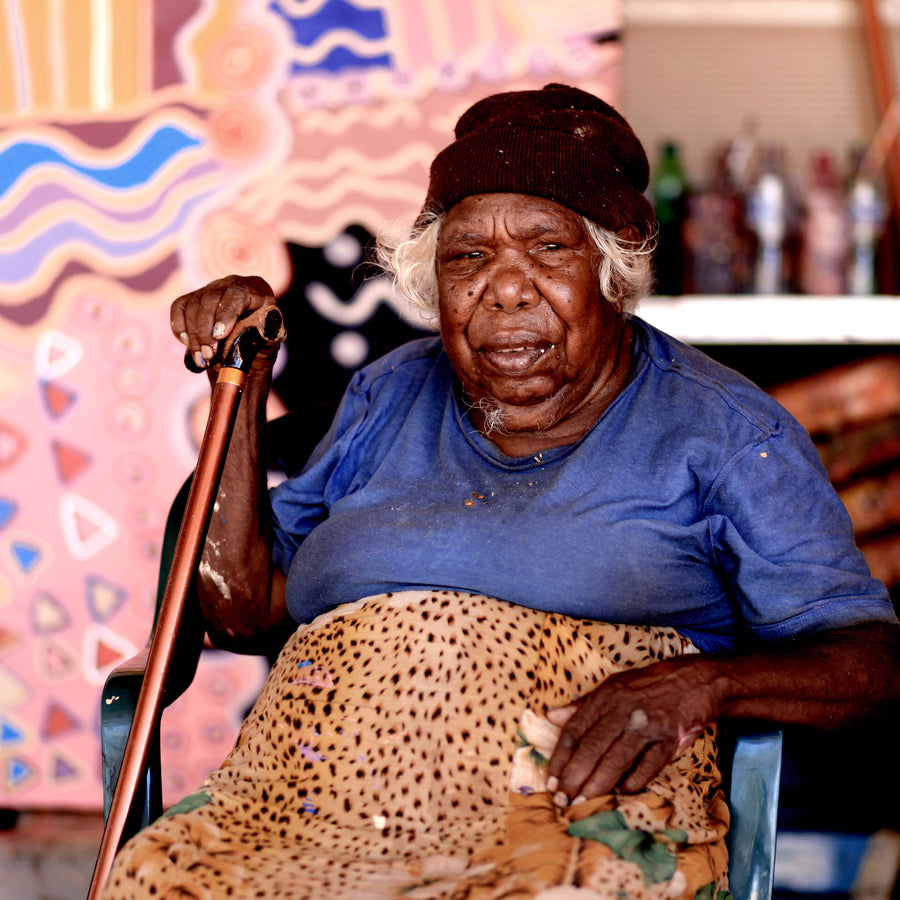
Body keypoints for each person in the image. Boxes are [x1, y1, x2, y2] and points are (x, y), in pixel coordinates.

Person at [101, 84, 900, 900]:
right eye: (468, 256)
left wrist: (704, 685)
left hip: (564, 821)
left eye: (549, 248)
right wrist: (241, 386)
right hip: (305, 805)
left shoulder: (723, 433)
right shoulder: (389, 394)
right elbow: (243, 610)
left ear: (614, 272)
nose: (506, 288)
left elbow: (873, 663)